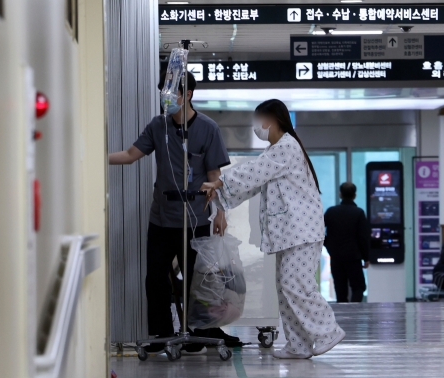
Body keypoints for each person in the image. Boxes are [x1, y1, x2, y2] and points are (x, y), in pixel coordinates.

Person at [108, 71, 243, 354]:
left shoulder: (208, 128)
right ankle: (162, 333)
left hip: (195, 217)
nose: (166, 99)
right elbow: (131, 155)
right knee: (155, 276)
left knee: (198, 278)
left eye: (171, 93)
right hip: (162, 218)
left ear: (188, 95)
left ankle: (200, 332)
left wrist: (220, 212)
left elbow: (214, 174)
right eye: (163, 93)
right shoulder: (159, 126)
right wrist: (97, 156)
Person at [201, 99, 345, 359]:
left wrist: (220, 182)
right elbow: (255, 183)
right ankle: (298, 345)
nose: (257, 128)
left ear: (272, 120)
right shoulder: (276, 150)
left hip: (301, 231)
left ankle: (327, 332)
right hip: (290, 233)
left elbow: (254, 172)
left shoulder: (286, 147)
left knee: (296, 284)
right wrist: (220, 196)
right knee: (285, 287)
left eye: (259, 122)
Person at [324, 182, 370, 303]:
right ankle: (354, 311)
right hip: (354, 258)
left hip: (336, 257)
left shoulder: (331, 212)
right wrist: (366, 257)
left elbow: (318, 230)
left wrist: (328, 244)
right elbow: (363, 237)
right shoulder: (358, 213)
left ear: (340, 194)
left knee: (340, 290)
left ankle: (342, 317)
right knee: (358, 287)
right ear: (354, 195)